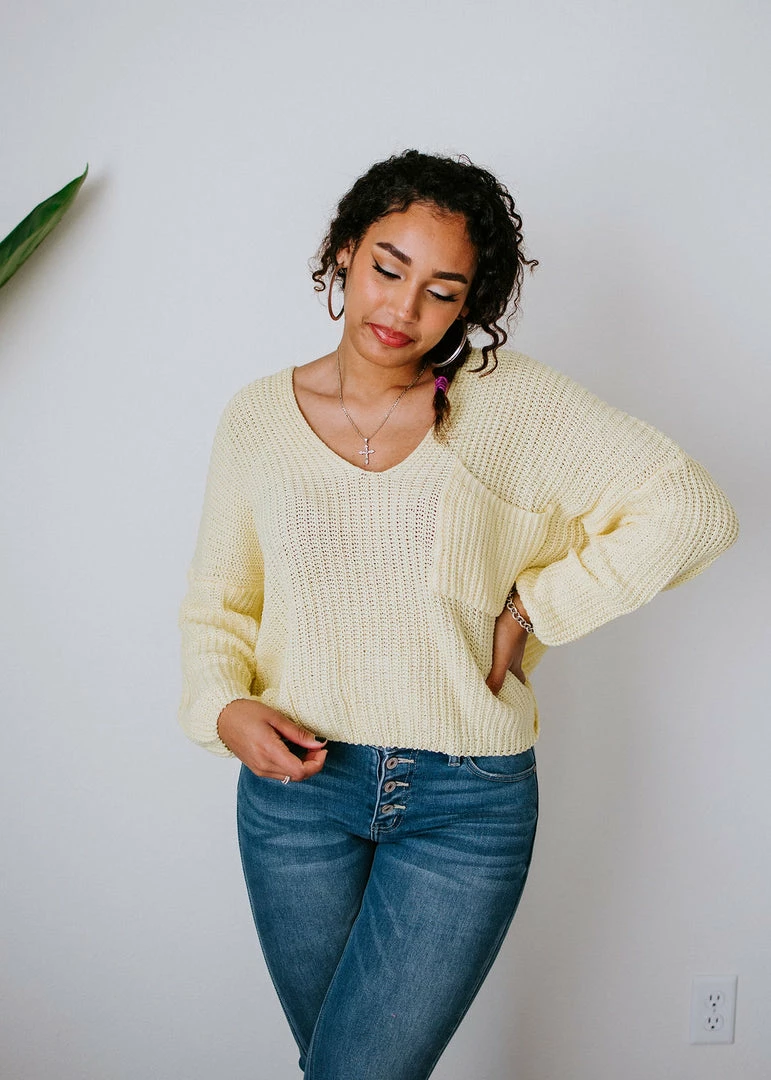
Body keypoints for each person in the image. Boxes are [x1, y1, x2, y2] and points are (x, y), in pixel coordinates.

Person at [177, 150, 738, 1080]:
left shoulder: (508, 407)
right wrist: (221, 708)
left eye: (440, 292)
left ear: (469, 306)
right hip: (296, 803)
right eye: (387, 268)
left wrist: (535, 607)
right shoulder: (257, 421)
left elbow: (691, 511)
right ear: (344, 252)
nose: (402, 309)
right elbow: (218, 605)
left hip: (463, 804)